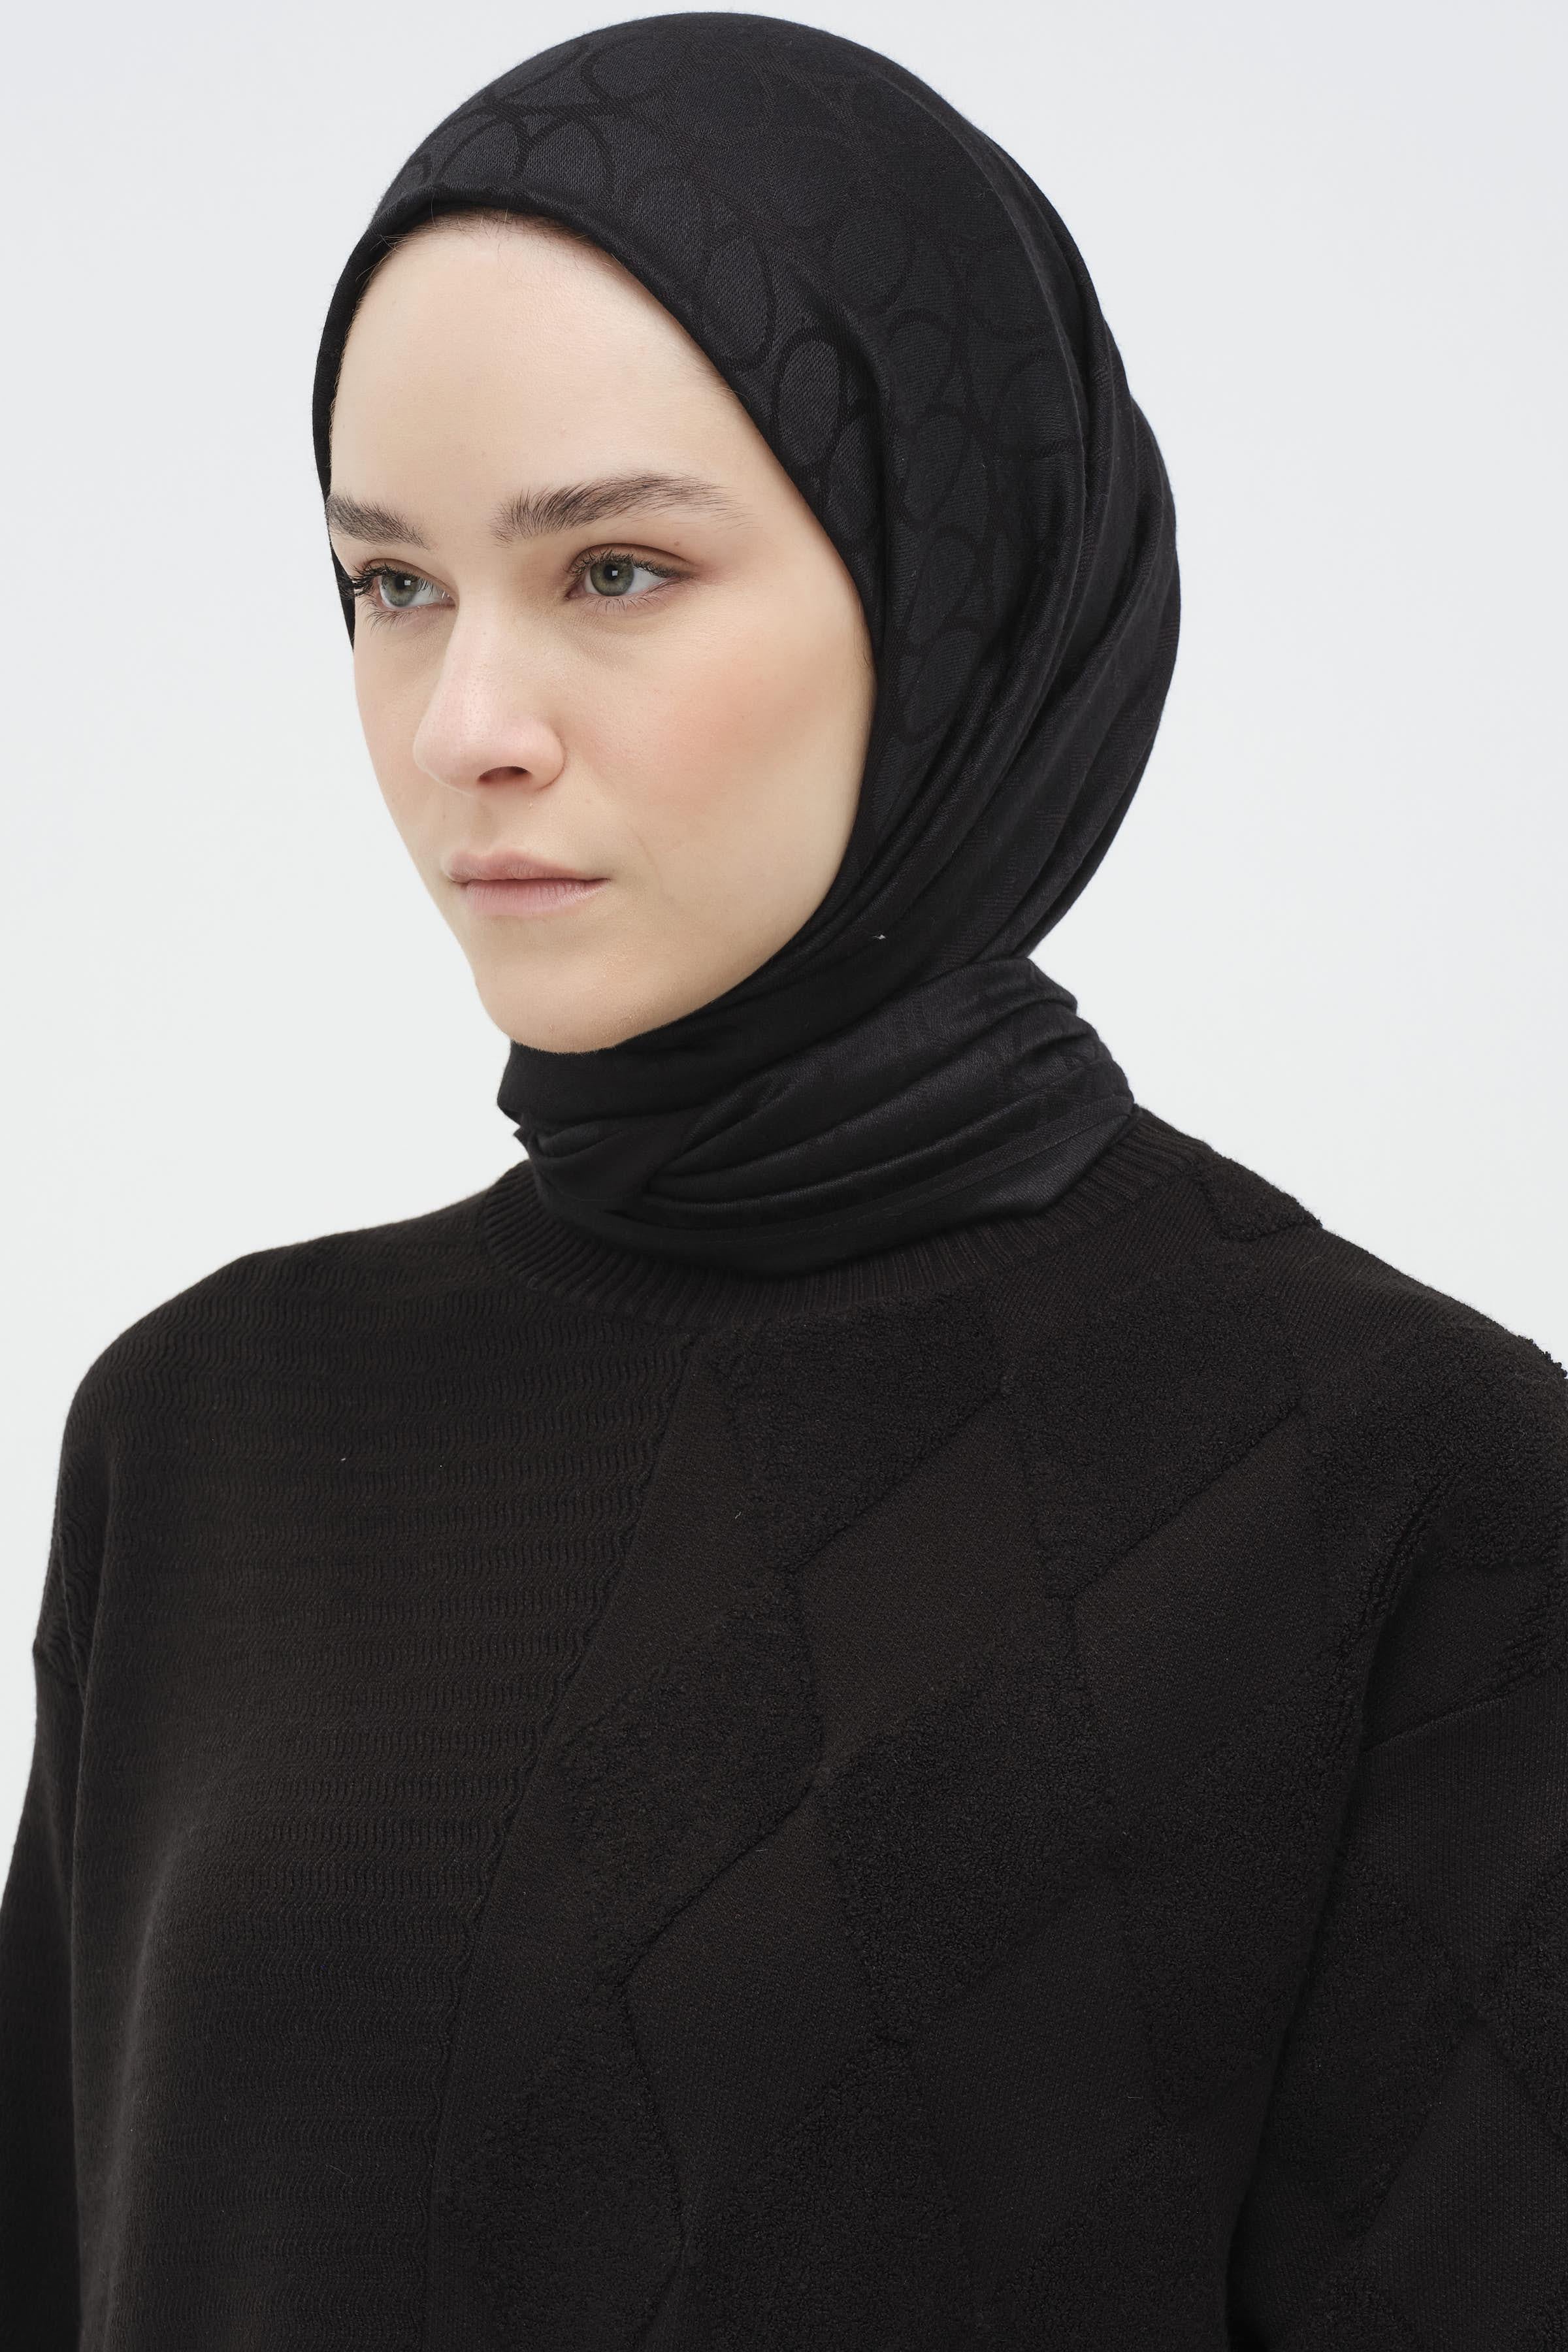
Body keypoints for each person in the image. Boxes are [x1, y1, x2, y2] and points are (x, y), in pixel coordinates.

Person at [3, 13, 1564, 2349]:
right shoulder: (204, 1432)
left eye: (617, 569)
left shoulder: (1410, 1487)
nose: (466, 726)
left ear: (952, 590)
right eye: (391, 584)